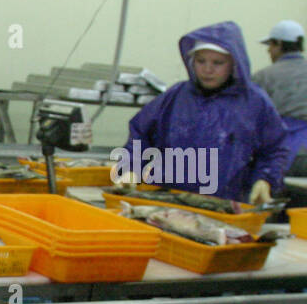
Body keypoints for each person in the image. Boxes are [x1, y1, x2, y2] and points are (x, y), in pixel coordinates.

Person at [121, 21, 288, 204]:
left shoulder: (254, 103)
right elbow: (141, 133)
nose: (208, 69)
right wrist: (131, 167)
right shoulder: (175, 96)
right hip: (166, 201)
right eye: (201, 61)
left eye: (218, 63)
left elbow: (274, 149)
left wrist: (265, 179)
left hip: (224, 206)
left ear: (234, 63)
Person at [252, 20, 307, 178]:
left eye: (270, 45)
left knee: (268, 198)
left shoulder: (265, 76)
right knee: (306, 200)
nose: (269, 51)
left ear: (279, 44)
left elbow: (251, 115)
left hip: (279, 151)